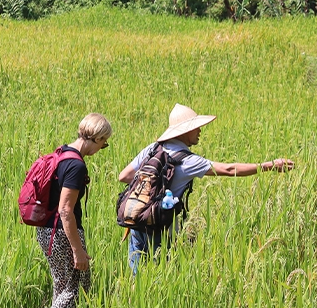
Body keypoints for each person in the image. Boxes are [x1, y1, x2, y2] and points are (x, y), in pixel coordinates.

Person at [117, 104, 294, 274]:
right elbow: (229, 169)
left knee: (137, 280)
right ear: (185, 131)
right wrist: (268, 165)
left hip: (136, 222)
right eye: (197, 127)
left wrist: (148, 195)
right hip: (161, 229)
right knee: (160, 277)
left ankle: (132, 304)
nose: (200, 131)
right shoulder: (188, 161)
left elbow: (123, 176)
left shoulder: (152, 148)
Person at [31, 113, 112, 308]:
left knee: (63, 284)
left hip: (46, 230)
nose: (102, 148)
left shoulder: (62, 154)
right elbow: (66, 210)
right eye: (103, 143)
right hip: (62, 232)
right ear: (96, 138)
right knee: (76, 287)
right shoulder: (76, 165)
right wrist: (77, 250)